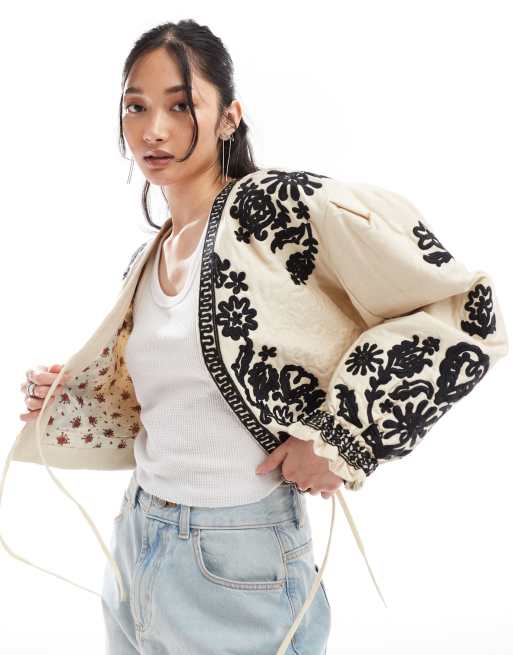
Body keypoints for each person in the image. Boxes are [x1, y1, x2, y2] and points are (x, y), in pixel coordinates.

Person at [11, 18, 509, 655]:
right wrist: (81, 391)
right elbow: (193, 397)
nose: (153, 129)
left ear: (229, 118)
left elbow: (461, 310)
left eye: (180, 105)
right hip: (138, 538)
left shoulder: (276, 209)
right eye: (136, 106)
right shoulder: (150, 255)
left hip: (239, 555)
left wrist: (341, 435)